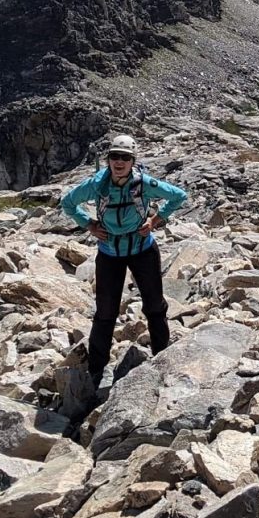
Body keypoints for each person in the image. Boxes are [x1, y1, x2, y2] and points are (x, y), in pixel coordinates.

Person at [60, 134, 189, 389]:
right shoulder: (97, 184)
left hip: (142, 250)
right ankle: (96, 371)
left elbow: (178, 196)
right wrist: (88, 225)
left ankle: (161, 359)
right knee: (106, 313)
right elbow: (68, 203)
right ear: (108, 159)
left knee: (154, 306)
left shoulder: (143, 183)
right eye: (114, 156)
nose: (119, 162)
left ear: (133, 160)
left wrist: (155, 220)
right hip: (110, 254)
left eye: (125, 157)